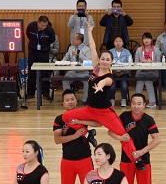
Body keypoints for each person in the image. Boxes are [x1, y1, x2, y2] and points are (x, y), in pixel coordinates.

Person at [61, 24, 147, 172]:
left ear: (111, 62)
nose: (104, 61)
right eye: (103, 59)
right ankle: (88, 133)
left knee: (124, 136)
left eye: (108, 60)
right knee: (66, 117)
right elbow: (93, 48)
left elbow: (104, 81)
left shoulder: (109, 76)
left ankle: (137, 159)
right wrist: (89, 31)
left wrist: (99, 85)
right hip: (89, 110)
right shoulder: (95, 68)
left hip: (105, 112)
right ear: (100, 60)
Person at [109, 93, 161, 184]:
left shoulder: (148, 119)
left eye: (139, 104)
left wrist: (141, 152)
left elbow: (157, 139)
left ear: (144, 105)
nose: (136, 106)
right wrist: (120, 137)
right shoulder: (124, 117)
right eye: (133, 103)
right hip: (126, 161)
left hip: (143, 161)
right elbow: (110, 132)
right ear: (130, 103)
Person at [53, 89, 97, 184]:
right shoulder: (59, 119)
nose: (70, 102)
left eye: (72, 99)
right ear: (63, 103)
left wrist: (80, 121)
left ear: (76, 101)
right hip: (67, 161)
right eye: (67, 100)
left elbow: (98, 123)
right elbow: (57, 139)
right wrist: (75, 136)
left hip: (85, 159)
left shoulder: (83, 114)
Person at [26, 16, 56, 99]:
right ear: (38, 22)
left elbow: (52, 40)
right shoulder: (31, 26)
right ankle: (30, 92)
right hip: (32, 51)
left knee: (45, 72)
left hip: (44, 52)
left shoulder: (50, 30)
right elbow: (28, 35)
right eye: (42, 25)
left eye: (45, 25)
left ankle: (45, 93)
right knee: (31, 72)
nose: (44, 27)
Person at [134, 32, 161, 108]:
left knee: (148, 80)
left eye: (148, 38)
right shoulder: (139, 50)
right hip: (141, 71)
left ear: (151, 40)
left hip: (152, 71)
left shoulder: (156, 49)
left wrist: (152, 61)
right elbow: (135, 63)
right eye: (144, 38)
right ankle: (137, 102)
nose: (146, 40)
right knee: (140, 80)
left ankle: (152, 102)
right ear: (142, 40)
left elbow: (159, 62)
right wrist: (141, 62)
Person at [61, 33, 91, 103]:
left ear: (79, 41)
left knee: (88, 82)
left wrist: (79, 55)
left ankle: (85, 100)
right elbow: (66, 57)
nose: (72, 40)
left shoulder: (87, 49)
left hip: (83, 72)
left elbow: (89, 61)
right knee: (65, 80)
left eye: (74, 39)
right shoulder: (71, 48)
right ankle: (70, 98)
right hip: (72, 72)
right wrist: (62, 62)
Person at [108, 36, 132, 107]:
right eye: (116, 41)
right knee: (112, 85)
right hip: (113, 73)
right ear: (113, 43)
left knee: (124, 85)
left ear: (123, 43)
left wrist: (123, 72)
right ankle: (112, 100)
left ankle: (124, 99)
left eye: (120, 41)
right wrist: (113, 72)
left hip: (124, 73)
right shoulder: (110, 52)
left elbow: (131, 64)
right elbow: (107, 64)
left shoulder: (127, 52)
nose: (118, 43)